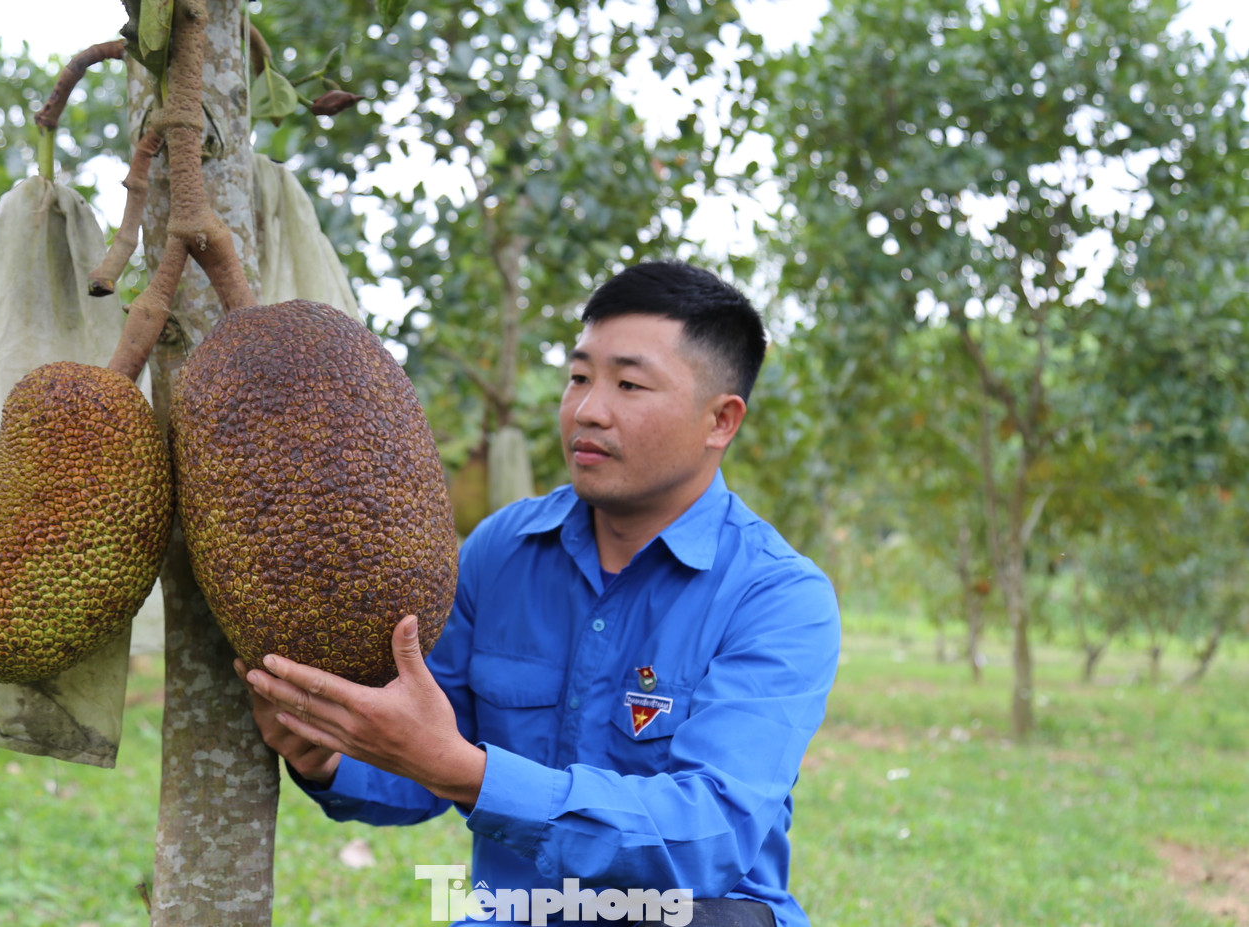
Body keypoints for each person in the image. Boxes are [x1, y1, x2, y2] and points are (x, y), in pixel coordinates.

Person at [238, 260, 841, 927]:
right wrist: (330, 756)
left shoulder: (778, 597)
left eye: (629, 384)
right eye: (578, 377)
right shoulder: (501, 551)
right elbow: (426, 749)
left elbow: (710, 835)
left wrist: (469, 772)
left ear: (720, 420)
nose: (587, 409)